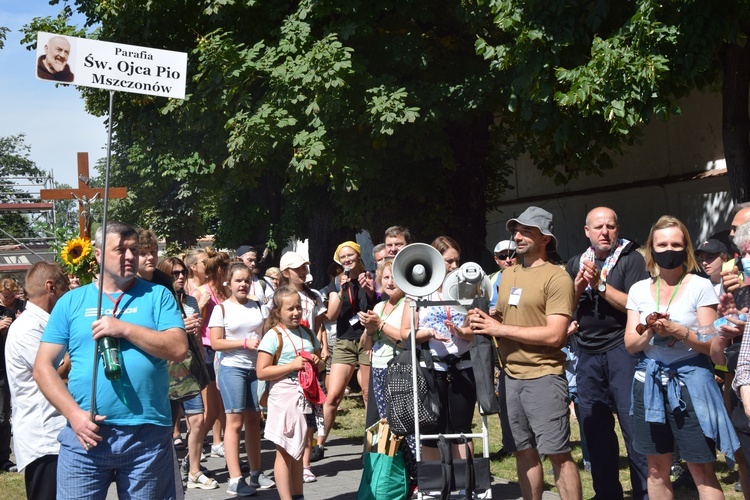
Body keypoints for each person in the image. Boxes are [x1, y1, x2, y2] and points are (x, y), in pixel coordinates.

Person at [33, 221, 188, 498]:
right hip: (86, 435)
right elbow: (43, 367)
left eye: (134, 249)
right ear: (98, 253)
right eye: (120, 250)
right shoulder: (72, 302)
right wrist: (73, 415)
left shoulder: (158, 296)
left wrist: (124, 329)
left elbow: (178, 348)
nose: (130, 257)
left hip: (147, 435)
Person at [468, 206, 582, 500]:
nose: (517, 237)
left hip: (544, 376)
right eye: (515, 231)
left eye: (526, 231)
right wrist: (483, 321)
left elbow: (556, 335)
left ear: (545, 238)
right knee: (522, 451)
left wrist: (499, 329)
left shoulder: (557, 277)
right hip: (510, 378)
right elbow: (504, 321)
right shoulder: (507, 276)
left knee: (557, 453)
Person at [624, 215, 739, 499]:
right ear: (652, 249)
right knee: (656, 468)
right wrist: (651, 331)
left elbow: (711, 343)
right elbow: (630, 344)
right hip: (649, 384)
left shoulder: (699, 286)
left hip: (690, 384)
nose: (669, 250)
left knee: (702, 470)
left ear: (686, 248)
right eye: (662, 244)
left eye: (676, 243)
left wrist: (678, 330)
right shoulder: (639, 289)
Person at [564, 206, 649, 499]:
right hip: (586, 352)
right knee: (595, 426)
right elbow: (567, 308)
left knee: (633, 425)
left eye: (610, 226)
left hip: (622, 349)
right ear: (586, 231)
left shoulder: (631, 259)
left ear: (617, 228)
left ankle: (645, 492)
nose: (605, 232)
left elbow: (636, 306)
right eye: (598, 227)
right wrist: (577, 287)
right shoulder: (577, 262)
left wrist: (599, 284)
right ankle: (606, 493)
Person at [401, 236, 477, 462]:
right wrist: (427, 334)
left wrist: (462, 333)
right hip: (431, 367)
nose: (455, 266)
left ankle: (466, 483)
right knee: (431, 429)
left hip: (463, 366)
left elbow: (477, 329)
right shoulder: (417, 292)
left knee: (462, 430)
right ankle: (435, 485)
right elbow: (406, 333)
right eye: (448, 261)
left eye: (457, 261)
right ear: (435, 261)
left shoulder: (467, 290)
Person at [209, 262, 275, 495]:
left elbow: (268, 332)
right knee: (234, 422)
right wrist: (244, 343)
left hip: (256, 368)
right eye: (238, 280)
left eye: (247, 280)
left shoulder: (258, 305)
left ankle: (256, 473)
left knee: (254, 421)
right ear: (229, 283)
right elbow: (216, 343)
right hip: (232, 368)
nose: (243, 285)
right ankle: (235, 478)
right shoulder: (222, 309)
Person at [5, 262, 69, 499]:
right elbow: (57, 370)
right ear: (51, 287)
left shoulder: (45, 323)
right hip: (44, 438)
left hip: (58, 434)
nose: (67, 296)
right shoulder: (28, 328)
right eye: (64, 290)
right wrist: (76, 341)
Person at [257, 286, 324, 500]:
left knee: (299, 449)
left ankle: (298, 495)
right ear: (278, 312)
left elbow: (321, 363)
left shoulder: (308, 333)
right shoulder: (272, 336)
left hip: (306, 396)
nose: (296, 312)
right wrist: (292, 365)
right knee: (284, 451)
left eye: (298, 308)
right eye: (290, 309)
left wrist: (317, 362)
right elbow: (262, 371)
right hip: (283, 397)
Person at [157, 256, 217, 490]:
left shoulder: (190, 300)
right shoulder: (159, 301)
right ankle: (168, 470)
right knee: (167, 425)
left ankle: (194, 470)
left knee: (198, 420)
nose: (181, 277)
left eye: (183, 272)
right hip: (167, 370)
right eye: (174, 273)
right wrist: (181, 326)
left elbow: (195, 335)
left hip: (190, 366)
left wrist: (201, 358)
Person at [313, 241, 376, 462]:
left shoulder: (371, 277)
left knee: (368, 394)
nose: (347, 259)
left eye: (351, 255)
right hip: (344, 340)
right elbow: (330, 315)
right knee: (333, 395)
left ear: (358, 256)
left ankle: (370, 446)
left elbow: (378, 304)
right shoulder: (336, 282)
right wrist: (340, 291)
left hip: (369, 339)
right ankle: (320, 444)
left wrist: (370, 290)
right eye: (343, 257)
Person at [278, 251, 327, 483]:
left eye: (304, 267)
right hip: (288, 363)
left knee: (309, 413)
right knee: (292, 417)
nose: (302, 271)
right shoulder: (278, 299)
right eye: (297, 268)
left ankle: (305, 463)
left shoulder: (312, 296)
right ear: (285, 272)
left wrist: (322, 347)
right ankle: (290, 460)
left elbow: (318, 325)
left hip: (310, 356)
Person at [192, 248, 229, 459]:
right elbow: (191, 324)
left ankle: (222, 446)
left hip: (224, 350)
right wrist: (200, 306)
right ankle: (191, 456)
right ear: (220, 271)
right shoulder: (201, 292)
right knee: (211, 410)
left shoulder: (226, 293)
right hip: (206, 351)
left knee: (225, 408)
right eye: (227, 269)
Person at [0, 277, 24, 472]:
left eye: (11, 297)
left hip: (13, 366)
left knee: (5, 415)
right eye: (5, 296)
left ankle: (4, 458)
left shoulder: (22, 307)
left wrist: (18, 324)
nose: (8, 300)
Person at [488, 239, 517, 309]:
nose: (508, 260)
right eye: (503, 257)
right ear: (496, 260)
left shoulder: (527, 277)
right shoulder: (489, 279)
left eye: (512, 255)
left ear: (518, 256)